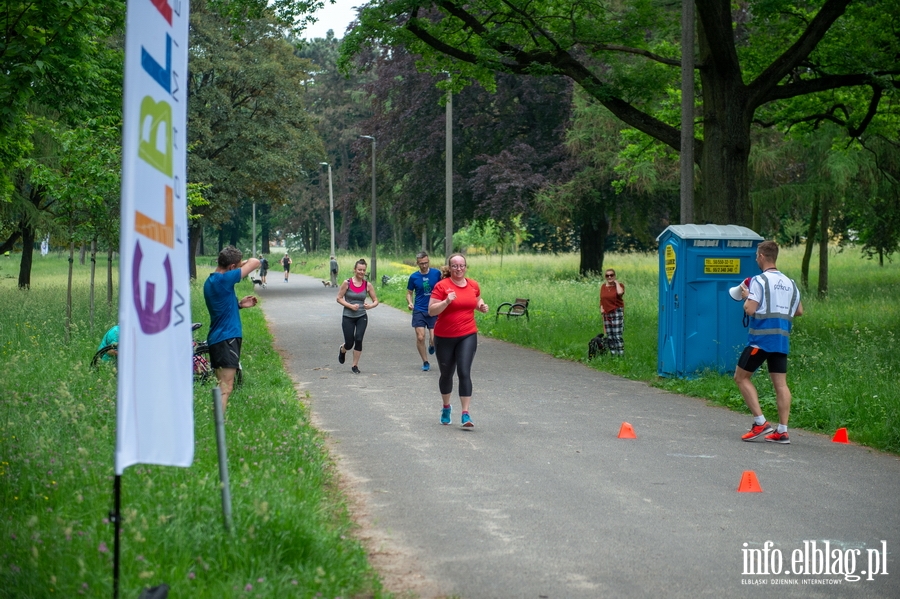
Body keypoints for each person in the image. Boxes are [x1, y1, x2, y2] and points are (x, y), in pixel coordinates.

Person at [734, 240, 803, 444]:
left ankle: (760, 422)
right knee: (780, 385)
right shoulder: (790, 282)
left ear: (762, 256)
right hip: (781, 339)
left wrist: (747, 297)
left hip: (761, 339)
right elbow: (799, 311)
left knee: (740, 377)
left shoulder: (759, 281)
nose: (756, 259)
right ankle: (782, 430)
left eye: (757, 256)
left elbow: (750, 309)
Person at [428, 253, 489, 428]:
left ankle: (465, 414)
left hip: (467, 334)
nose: (459, 269)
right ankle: (446, 407)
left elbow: (476, 300)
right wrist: (446, 301)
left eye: (462, 265)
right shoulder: (442, 286)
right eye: (455, 266)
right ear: (450, 268)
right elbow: (432, 311)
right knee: (447, 374)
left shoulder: (473, 285)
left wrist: (481, 306)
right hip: (444, 336)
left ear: (466, 267)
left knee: (464, 371)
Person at [204, 246, 260, 411]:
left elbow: (221, 308)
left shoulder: (211, 281)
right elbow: (255, 262)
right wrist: (239, 262)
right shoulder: (224, 279)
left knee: (222, 386)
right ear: (232, 267)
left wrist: (239, 305)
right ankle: (219, 426)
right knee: (226, 388)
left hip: (217, 338)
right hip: (227, 338)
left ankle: (218, 423)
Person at [336, 259, 379, 373]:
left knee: (358, 339)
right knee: (349, 343)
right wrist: (350, 306)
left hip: (361, 316)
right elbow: (339, 298)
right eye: (359, 269)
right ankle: (343, 349)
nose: (361, 272)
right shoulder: (347, 283)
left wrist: (370, 306)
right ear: (354, 269)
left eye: (364, 270)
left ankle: (355, 365)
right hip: (348, 316)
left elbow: (376, 301)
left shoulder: (367, 285)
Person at [407, 251, 442, 371]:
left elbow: (443, 286)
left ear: (429, 261)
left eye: (426, 263)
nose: (424, 265)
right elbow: (409, 293)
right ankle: (425, 361)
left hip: (433, 309)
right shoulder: (414, 277)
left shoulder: (436, 273)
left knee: (434, 338)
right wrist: (410, 302)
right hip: (419, 310)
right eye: (421, 263)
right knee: (420, 337)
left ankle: (432, 345)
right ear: (417, 263)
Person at [599, 268, 625, 356]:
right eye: (607, 275)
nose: (609, 277)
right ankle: (613, 354)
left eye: (611, 275)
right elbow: (601, 299)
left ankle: (620, 355)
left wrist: (616, 282)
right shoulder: (603, 287)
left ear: (614, 276)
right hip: (606, 312)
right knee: (609, 335)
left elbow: (620, 293)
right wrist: (601, 308)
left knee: (617, 335)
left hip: (616, 311)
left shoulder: (620, 285)